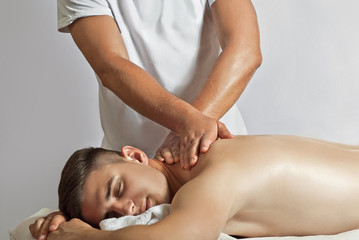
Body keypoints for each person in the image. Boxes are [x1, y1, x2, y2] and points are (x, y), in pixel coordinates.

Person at [57, 0, 262, 168]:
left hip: (215, 153)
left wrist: (189, 130)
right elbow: (110, 66)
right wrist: (186, 125)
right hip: (132, 172)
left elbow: (245, 50)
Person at [30, 135, 359, 239]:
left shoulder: (209, 179)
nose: (127, 210)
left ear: (134, 155)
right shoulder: (197, 163)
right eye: (113, 215)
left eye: (117, 190)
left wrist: (88, 237)